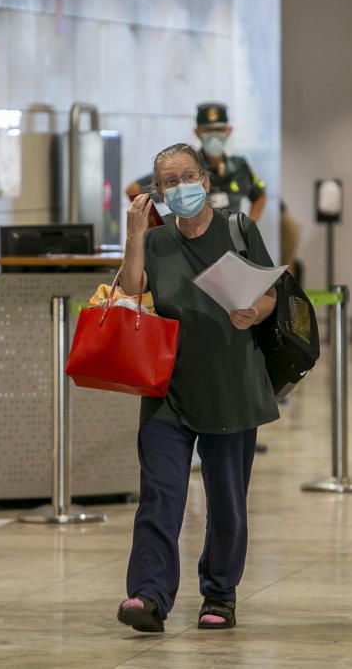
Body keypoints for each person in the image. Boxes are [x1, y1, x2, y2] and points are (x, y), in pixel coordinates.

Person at [115, 143, 279, 633]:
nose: (180, 186)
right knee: (161, 493)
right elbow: (128, 293)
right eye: (169, 180)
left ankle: (220, 594)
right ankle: (149, 595)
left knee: (226, 498)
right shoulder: (157, 240)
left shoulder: (238, 229)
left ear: (206, 181)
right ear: (157, 191)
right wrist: (135, 237)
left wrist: (256, 311)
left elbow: (270, 294)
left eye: (188, 176)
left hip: (230, 383)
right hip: (167, 386)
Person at [125, 102, 268, 220]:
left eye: (219, 129)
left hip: (232, 243)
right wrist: (153, 225)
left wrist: (249, 227)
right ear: (198, 132)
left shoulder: (240, 166)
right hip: (194, 241)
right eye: (208, 130)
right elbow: (134, 190)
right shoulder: (188, 166)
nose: (214, 136)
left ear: (228, 131)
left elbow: (259, 194)